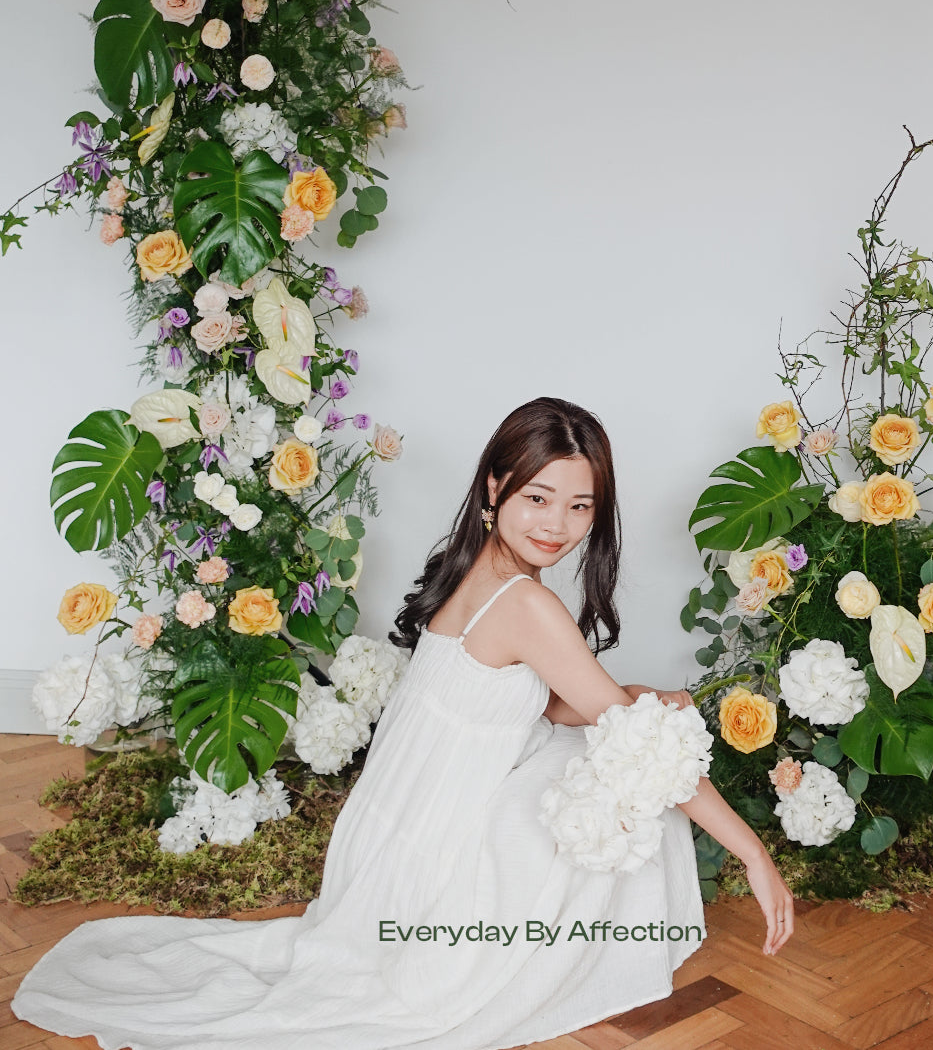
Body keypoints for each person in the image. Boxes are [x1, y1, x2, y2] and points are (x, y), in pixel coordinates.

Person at [12, 396, 794, 1050]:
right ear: (495, 486)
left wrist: (642, 700)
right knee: (632, 786)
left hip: (386, 853)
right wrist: (752, 853)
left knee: (627, 725)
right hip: (444, 873)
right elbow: (642, 751)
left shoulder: (475, 570)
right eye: (538, 497)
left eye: (580, 504)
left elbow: (539, 698)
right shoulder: (528, 604)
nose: (558, 524)